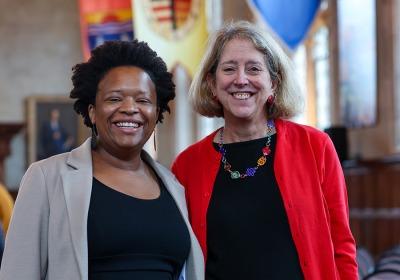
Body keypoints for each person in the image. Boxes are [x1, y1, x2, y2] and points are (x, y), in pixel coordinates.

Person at [0, 40, 204, 280]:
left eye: (143, 100)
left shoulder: (174, 186)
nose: (130, 108)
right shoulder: (46, 178)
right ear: (92, 111)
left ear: (157, 112)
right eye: (114, 99)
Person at [171, 21, 358, 280]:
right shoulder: (187, 164)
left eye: (254, 69)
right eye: (229, 69)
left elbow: (342, 246)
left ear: (273, 83)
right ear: (212, 84)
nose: (241, 79)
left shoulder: (316, 147)